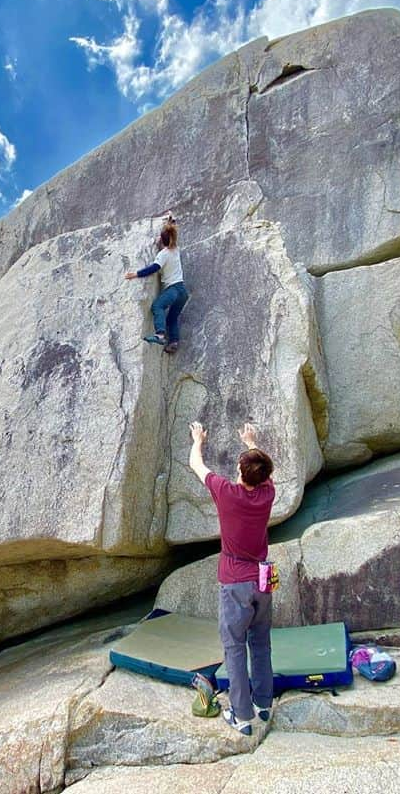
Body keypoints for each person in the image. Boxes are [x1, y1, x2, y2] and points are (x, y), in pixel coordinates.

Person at [188, 419, 275, 736]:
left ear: (241, 474)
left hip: (235, 581)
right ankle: (264, 704)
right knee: (261, 643)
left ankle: (242, 715)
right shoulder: (267, 493)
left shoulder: (227, 493)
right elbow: (266, 470)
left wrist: (198, 439)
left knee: (235, 648)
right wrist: (252, 441)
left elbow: (196, 464)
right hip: (262, 582)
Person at [124, 217, 188, 354]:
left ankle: (159, 335)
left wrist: (136, 274)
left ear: (162, 241)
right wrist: (171, 221)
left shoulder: (163, 254)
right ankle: (174, 341)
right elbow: (172, 233)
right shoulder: (175, 249)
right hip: (182, 292)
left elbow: (153, 268)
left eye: (159, 238)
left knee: (157, 306)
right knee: (172, 317)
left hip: (173, 290)